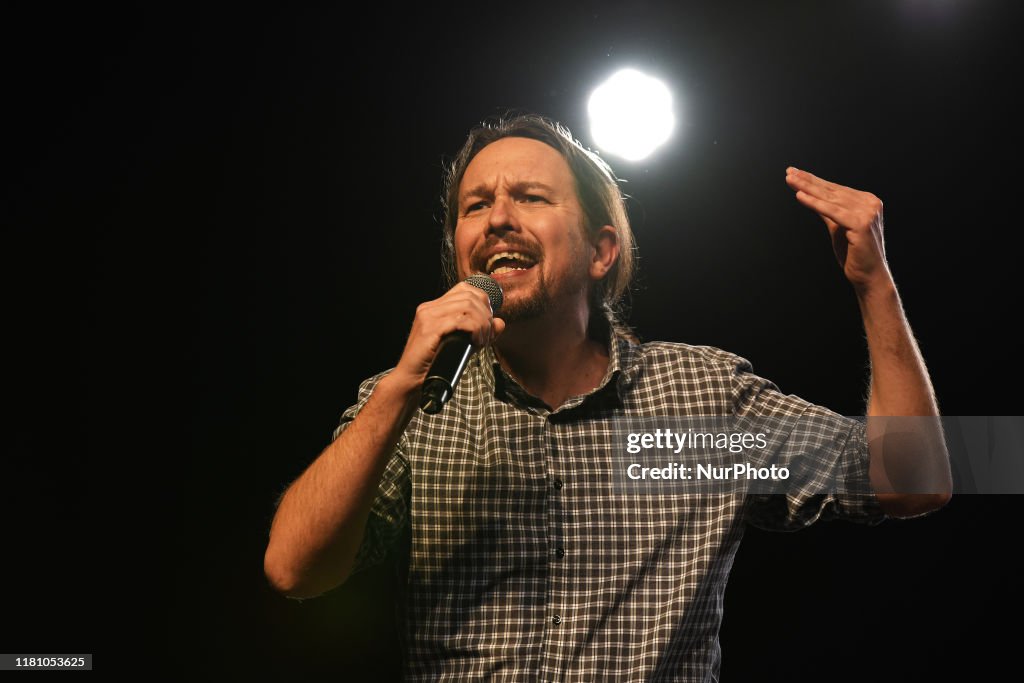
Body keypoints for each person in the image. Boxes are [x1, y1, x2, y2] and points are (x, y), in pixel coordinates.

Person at [263, 113, 951, 681]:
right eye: (475, 206)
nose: (497, 218)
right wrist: (400, 388)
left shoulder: (697, 402)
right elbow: (293, 568)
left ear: (601, 252)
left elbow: (914, 480)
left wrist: (875, 285)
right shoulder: (413, 407)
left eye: (530, 197)